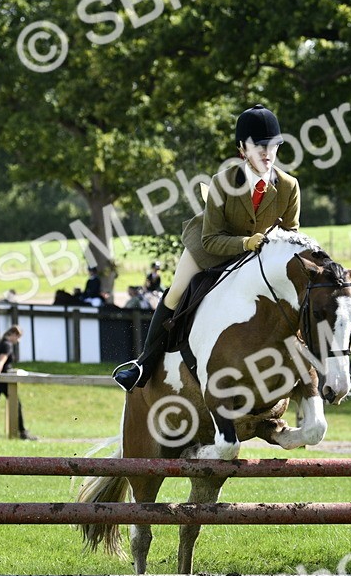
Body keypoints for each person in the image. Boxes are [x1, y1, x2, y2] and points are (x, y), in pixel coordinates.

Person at [111, 104, 301, 391]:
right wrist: (246, 243)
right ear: (242, 149)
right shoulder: (223, 183)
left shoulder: (289, 186)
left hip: (259, 256)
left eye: (272, 145)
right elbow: (211, 238)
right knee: (177, 291)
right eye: (258, 146)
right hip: (211, 246)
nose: (266, 152)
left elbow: (290, 236)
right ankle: (143, 365)